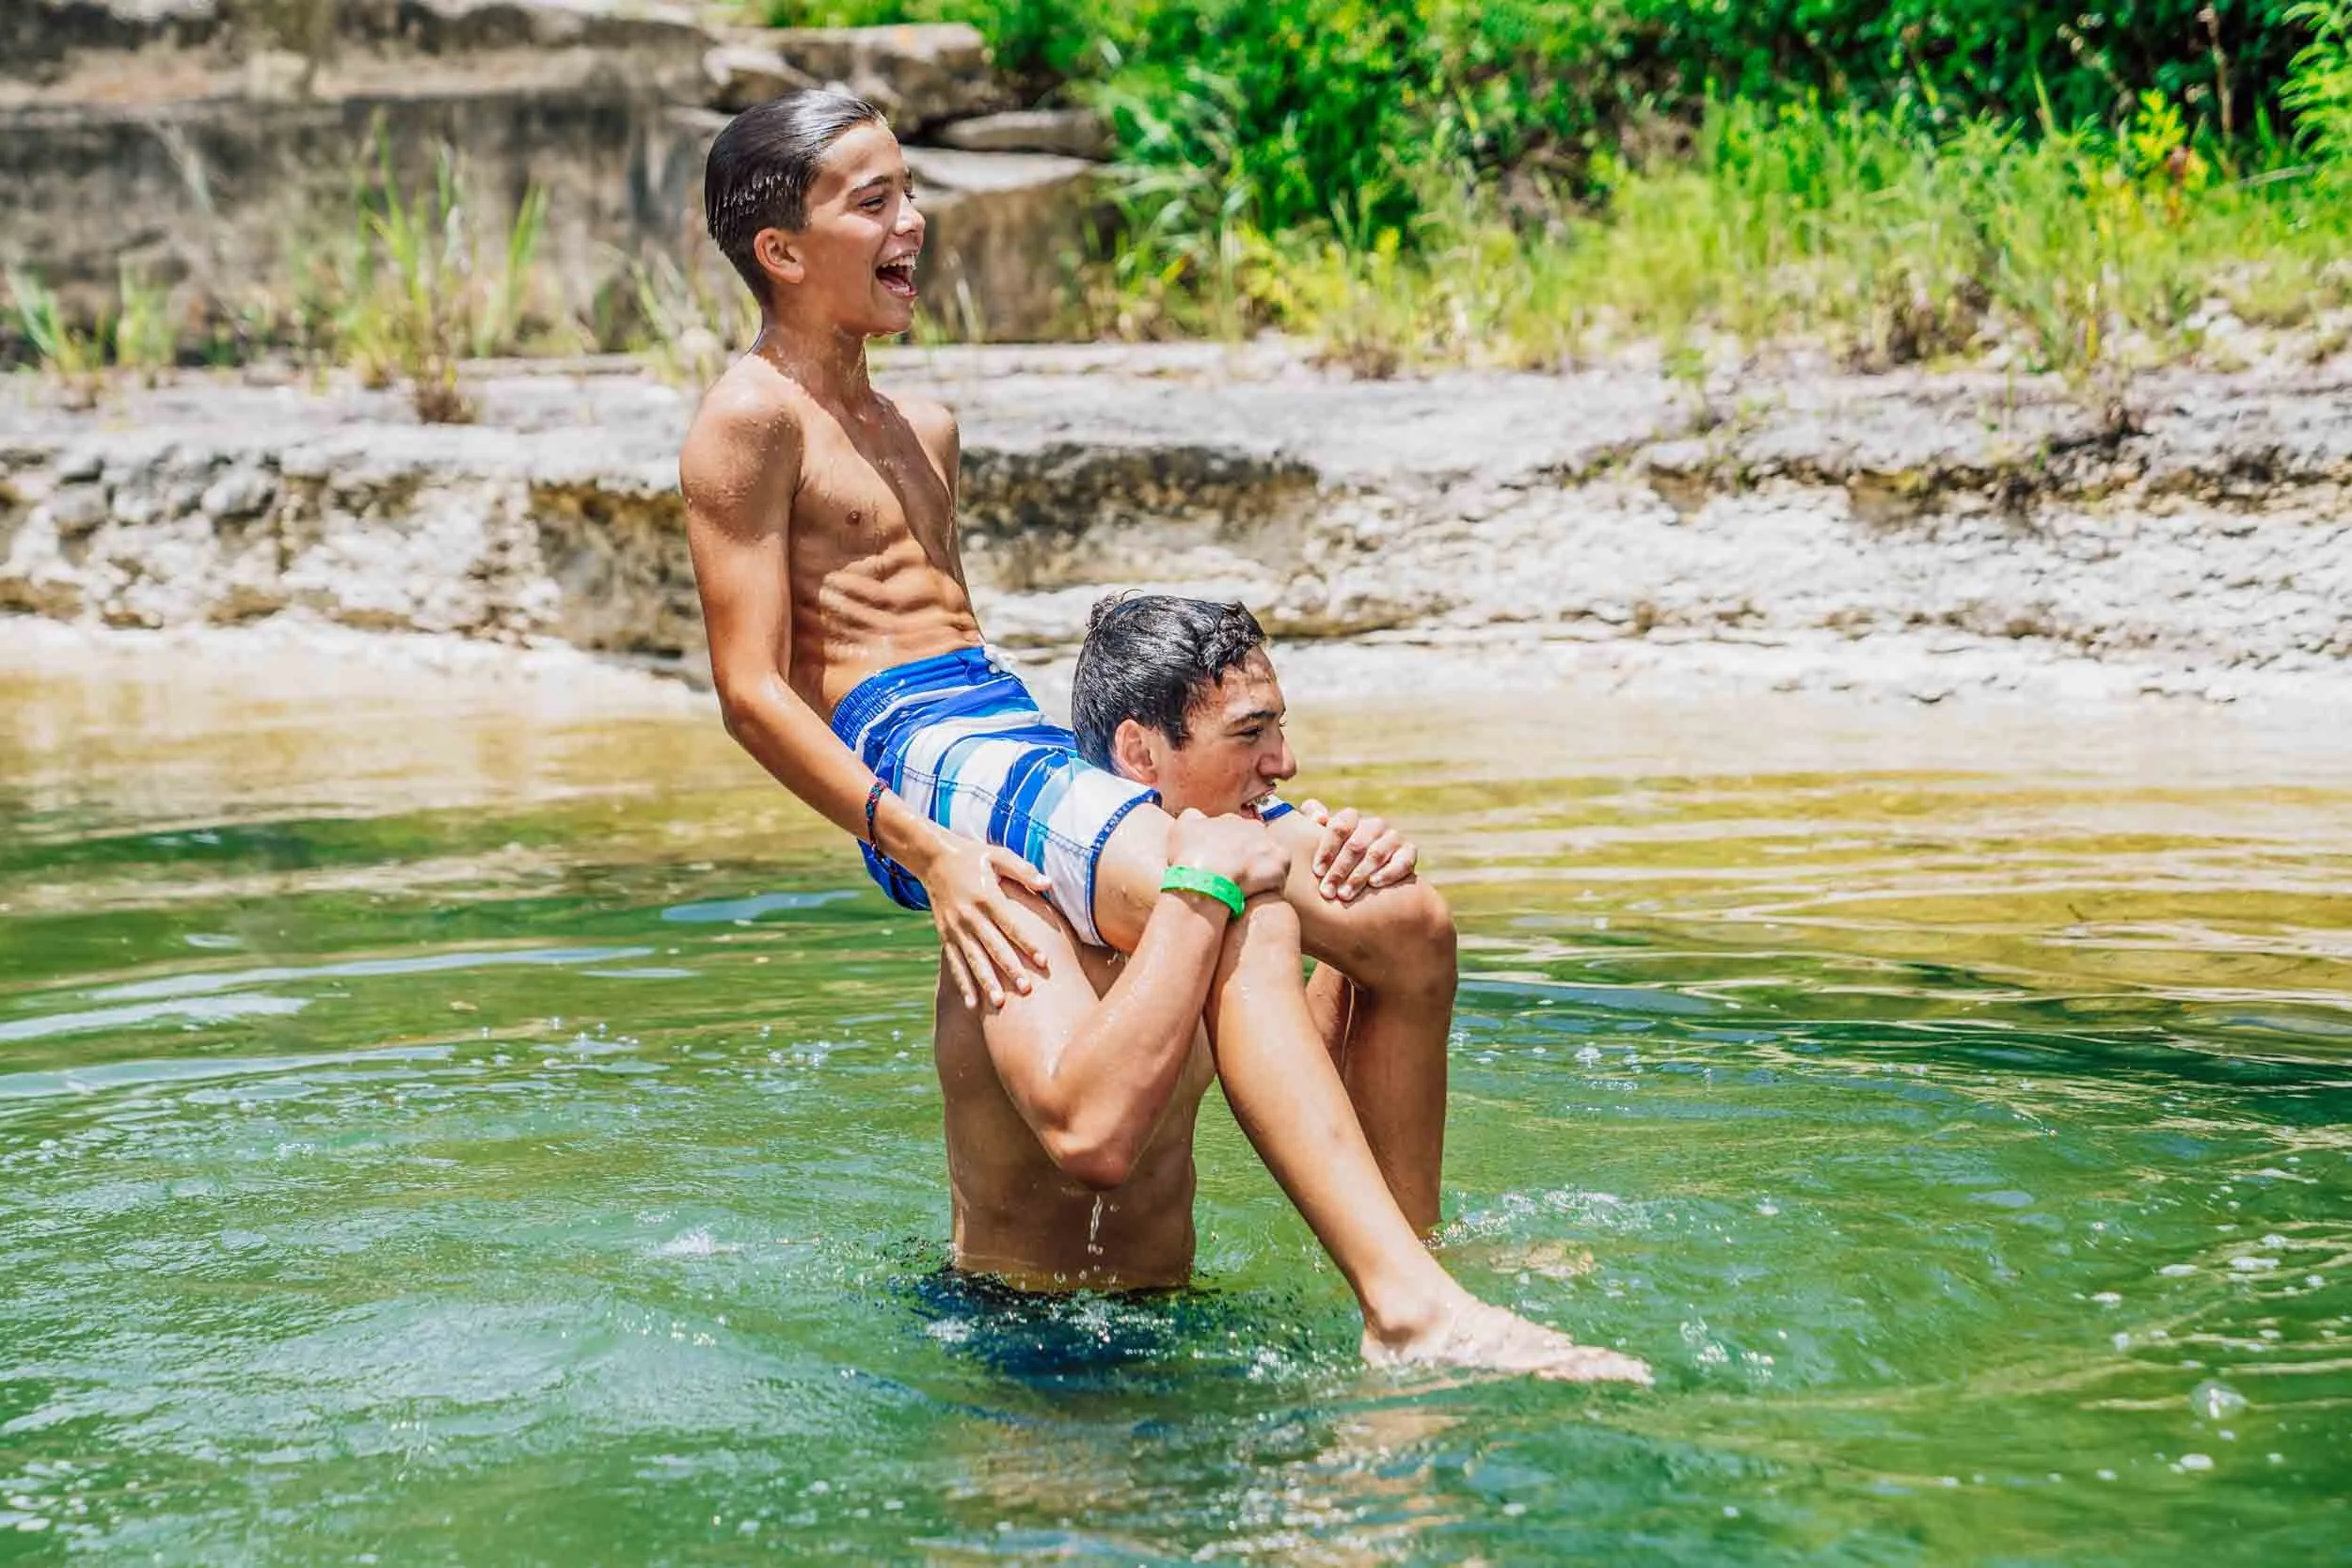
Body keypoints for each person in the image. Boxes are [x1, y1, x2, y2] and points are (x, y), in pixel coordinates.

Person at [676, 89, 1646, 1383]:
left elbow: (947, 626)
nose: (914, 222)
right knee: (1225, 893)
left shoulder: (928, 429)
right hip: (922, 757)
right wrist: (924, 847)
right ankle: (1404, 1307)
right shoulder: (749, 416)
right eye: (874, 202)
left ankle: (1417, 1259)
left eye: (912, 190)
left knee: (1405, 928)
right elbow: (753, 691)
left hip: (1008, 726)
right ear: (782, 252)